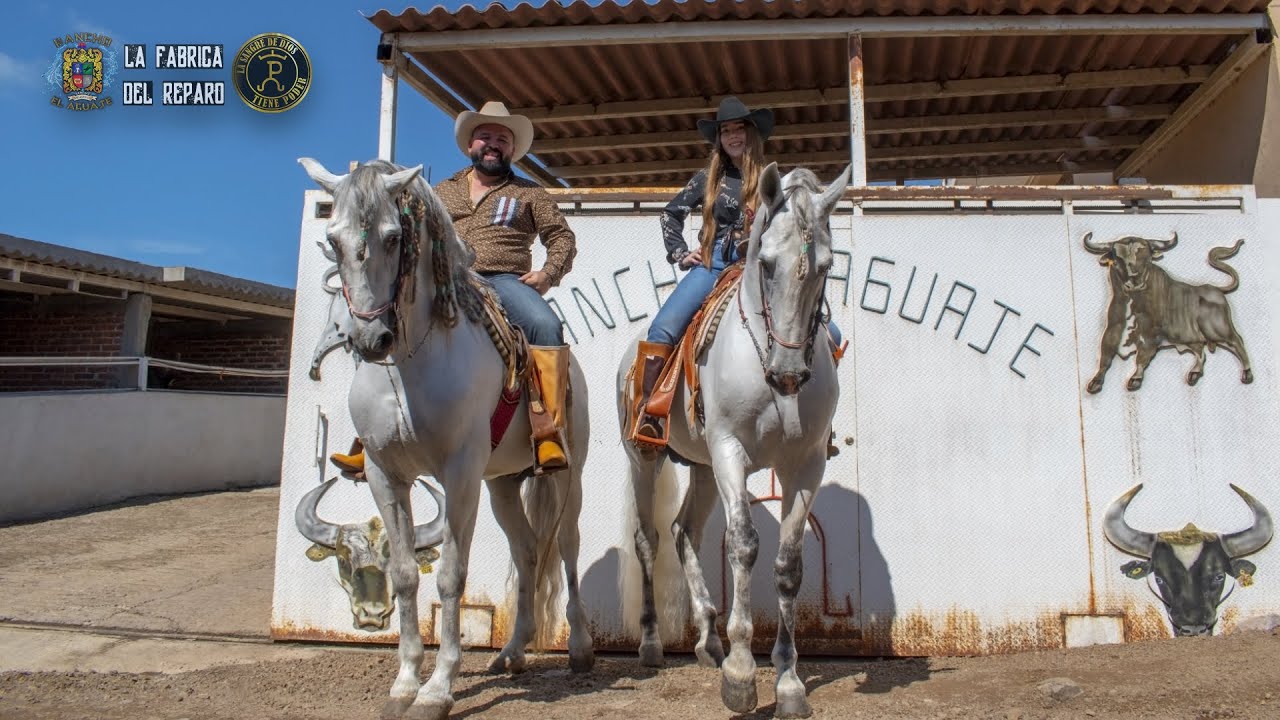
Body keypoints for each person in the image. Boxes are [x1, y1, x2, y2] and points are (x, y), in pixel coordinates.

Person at [333, 100, 577, 476]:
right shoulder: (438, 191)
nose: (493, 144)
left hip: (501, 280)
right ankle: (368, 439)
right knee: (378, 322)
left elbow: (561, 236)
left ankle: (547, 431)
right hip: (442, 279)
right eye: (485, 137)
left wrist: (547, 274)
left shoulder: (531, 194)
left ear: (512, 149)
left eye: (502, 139)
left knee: (545, 326)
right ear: (470, 146)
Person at [628, 97, 843, 448]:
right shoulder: (707, 178)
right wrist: (681, 254)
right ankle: (651, 413)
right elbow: (671, 214)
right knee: (663, 327)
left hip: (758, 271)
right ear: (719, 139)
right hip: (713, 265)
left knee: (830, 332)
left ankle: (822, 423)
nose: (732, 136)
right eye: (725, 131)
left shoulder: (777, 180)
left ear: (751, 134)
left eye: (738, 129)